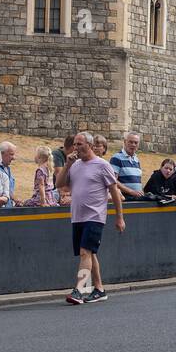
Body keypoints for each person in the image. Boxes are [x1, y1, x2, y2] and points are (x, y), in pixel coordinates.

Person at [56, 131, 125, 305]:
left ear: (89, 145)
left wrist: (119, 217)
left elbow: (114, 192)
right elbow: (59, 184)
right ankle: (99, 289)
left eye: (79, 144)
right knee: (90, 253)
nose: (76, 148)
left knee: (85, 252)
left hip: (95, 216)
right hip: (77, 216)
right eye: (74, 144)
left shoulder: (102, 165)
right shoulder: (75, 164)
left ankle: (80, 289)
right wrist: (67, 165)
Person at [109, 131, 146, 199]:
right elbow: (113, 180)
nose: (133, 145)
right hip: (124, 199)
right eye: (130, 142)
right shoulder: (116, 158)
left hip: (136, 199)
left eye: (136, 142)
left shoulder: (136, 159)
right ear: (125, 142)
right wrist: (131, 191)